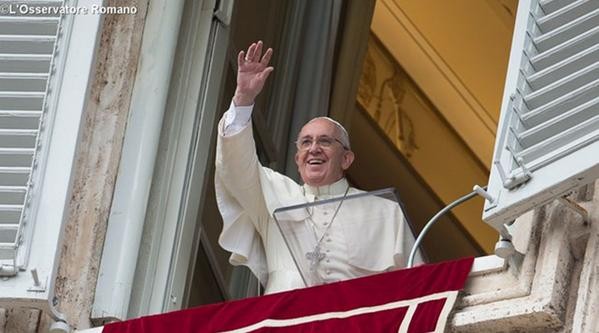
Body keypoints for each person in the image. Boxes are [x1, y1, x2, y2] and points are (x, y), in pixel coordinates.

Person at [215, 41, 417, 294]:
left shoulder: (384, 212)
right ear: (298, 159)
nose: (314, 149)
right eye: (306, 143)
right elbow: (234, 166)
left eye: (325, 141)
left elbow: (415, 286)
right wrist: (243, 99)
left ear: (346, 159)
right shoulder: (273, 194)